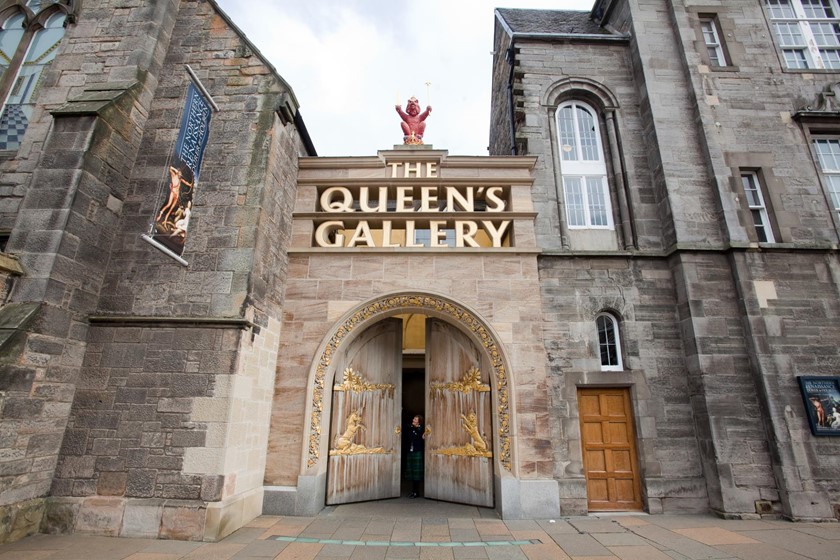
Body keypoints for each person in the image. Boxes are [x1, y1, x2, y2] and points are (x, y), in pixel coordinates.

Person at [404, 414, 425, 498]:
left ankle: (416, 492)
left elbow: (419, 436)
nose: (413, 420)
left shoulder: (421, 429)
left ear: (419, 421)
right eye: (414, 418)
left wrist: (415, 429)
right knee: (411, 472)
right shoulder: (410, 428)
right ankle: (413, 491)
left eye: (415, 419)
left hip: (417, 452)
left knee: (416, 474)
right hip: (410, 452)